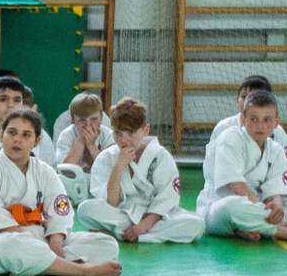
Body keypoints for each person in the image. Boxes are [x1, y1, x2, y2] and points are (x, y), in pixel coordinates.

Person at [0, 111, 120, 276]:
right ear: (1, 135)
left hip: (39, 237)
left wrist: (55, 244)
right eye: (11, 132)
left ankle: (40, 266)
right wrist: (31, 242)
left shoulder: (44, 171)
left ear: (36, 141)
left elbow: (60, 211)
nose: (17, 139)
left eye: (26, 135)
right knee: (14, 248)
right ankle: (83, 271)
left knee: (107, 244)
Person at [199, 89, 287, 242]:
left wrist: (277, 206)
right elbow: (236, 185)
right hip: (219, 209)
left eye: (267, 120)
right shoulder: (230, 138)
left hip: (257, 207)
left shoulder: (275, 150)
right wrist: (260, 209)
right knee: (235, 206)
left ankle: (246, 228)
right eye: (253, 119)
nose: (260, 126)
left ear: (277, 122)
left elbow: (275, 189)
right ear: (243, 119)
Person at [78, 98, 202, 243]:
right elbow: (110, 202)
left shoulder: (160, 156)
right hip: (122, 214)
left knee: (196, 225)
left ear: (145, 130)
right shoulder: (106, 158)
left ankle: (123, 235)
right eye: (118, 133)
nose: (123, 140)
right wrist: (118, 166)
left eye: (130, 133)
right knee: (85, 209)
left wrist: (142, 226)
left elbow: (167, 198)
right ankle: (139, 236)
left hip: (154, 218)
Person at [204, 73, 287, 193]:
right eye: (244, 96)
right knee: (231, 202)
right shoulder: (224, 128)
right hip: (232, 184)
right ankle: (261, 207)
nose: (249, 100)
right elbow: (214, 167)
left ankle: (264, 206)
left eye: (255, 96)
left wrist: (273, 186)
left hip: (266, 184)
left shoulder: (277, 131)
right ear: (237, 100)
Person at [51, 93, 105, 202]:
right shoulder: (66, 135)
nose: (88, 125)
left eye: (94, 119)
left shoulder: (107, 134)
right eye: (81, 120)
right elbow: (64, 170)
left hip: (99, 184)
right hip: (74, 184)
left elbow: (108, 169)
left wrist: (91, 145)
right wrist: (80, 141)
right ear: (72, 120)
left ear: (101, 118)